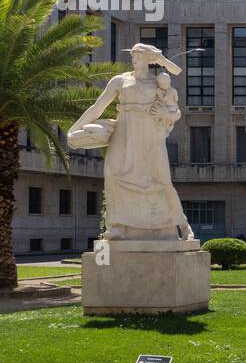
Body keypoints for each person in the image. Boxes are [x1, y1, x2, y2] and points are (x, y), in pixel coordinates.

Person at [68, 44, 193, 241]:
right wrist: (75, 128)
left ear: (148, 59)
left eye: (139, 55)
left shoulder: (158, 83)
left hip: (150, 134)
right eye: (133, 55)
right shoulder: (120, 80)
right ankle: (117, 225)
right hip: (125, 131)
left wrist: (163, 112)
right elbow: (97, 107)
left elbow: (175, 112)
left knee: (161, 180)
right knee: (113, 174)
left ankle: (181, 223)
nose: (134, 59)